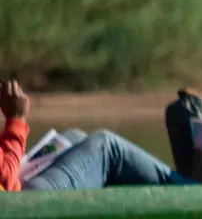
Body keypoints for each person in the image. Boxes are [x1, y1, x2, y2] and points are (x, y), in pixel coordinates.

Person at [0, 80, 183, 191]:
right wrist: (16, 119)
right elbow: (6, 179)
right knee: (106, 147)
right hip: (23, 201)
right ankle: (187, 191)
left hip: (19, 183)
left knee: (75, 138)